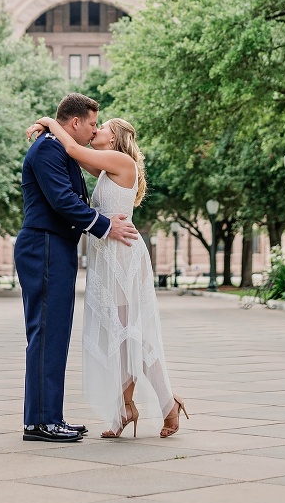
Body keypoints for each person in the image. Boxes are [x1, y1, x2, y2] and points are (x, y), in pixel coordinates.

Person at [27, 112, 188, 439]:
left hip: (122, 257)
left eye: (101, 128)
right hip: (107, 255)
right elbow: (72, 155)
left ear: (113, 139)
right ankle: (125, 407)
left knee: (132, 333)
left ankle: (167, 402)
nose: (95, 130)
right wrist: (54, 130)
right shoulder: (106, 165)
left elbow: (71, 149)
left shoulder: (118, 160)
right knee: (120, 333)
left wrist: (48, 121)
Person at [15, 93, 138, 443]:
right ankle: (40, 423)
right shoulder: (48, 150)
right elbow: (63, 200)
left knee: (53, 334)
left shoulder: (59, 147)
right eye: (92, 123)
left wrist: (48, 122)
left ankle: (49, 417)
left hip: (54, 247)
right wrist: (105, 225)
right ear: (75, 122)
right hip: (44, 247)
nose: (95, 129)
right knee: (46, 334)